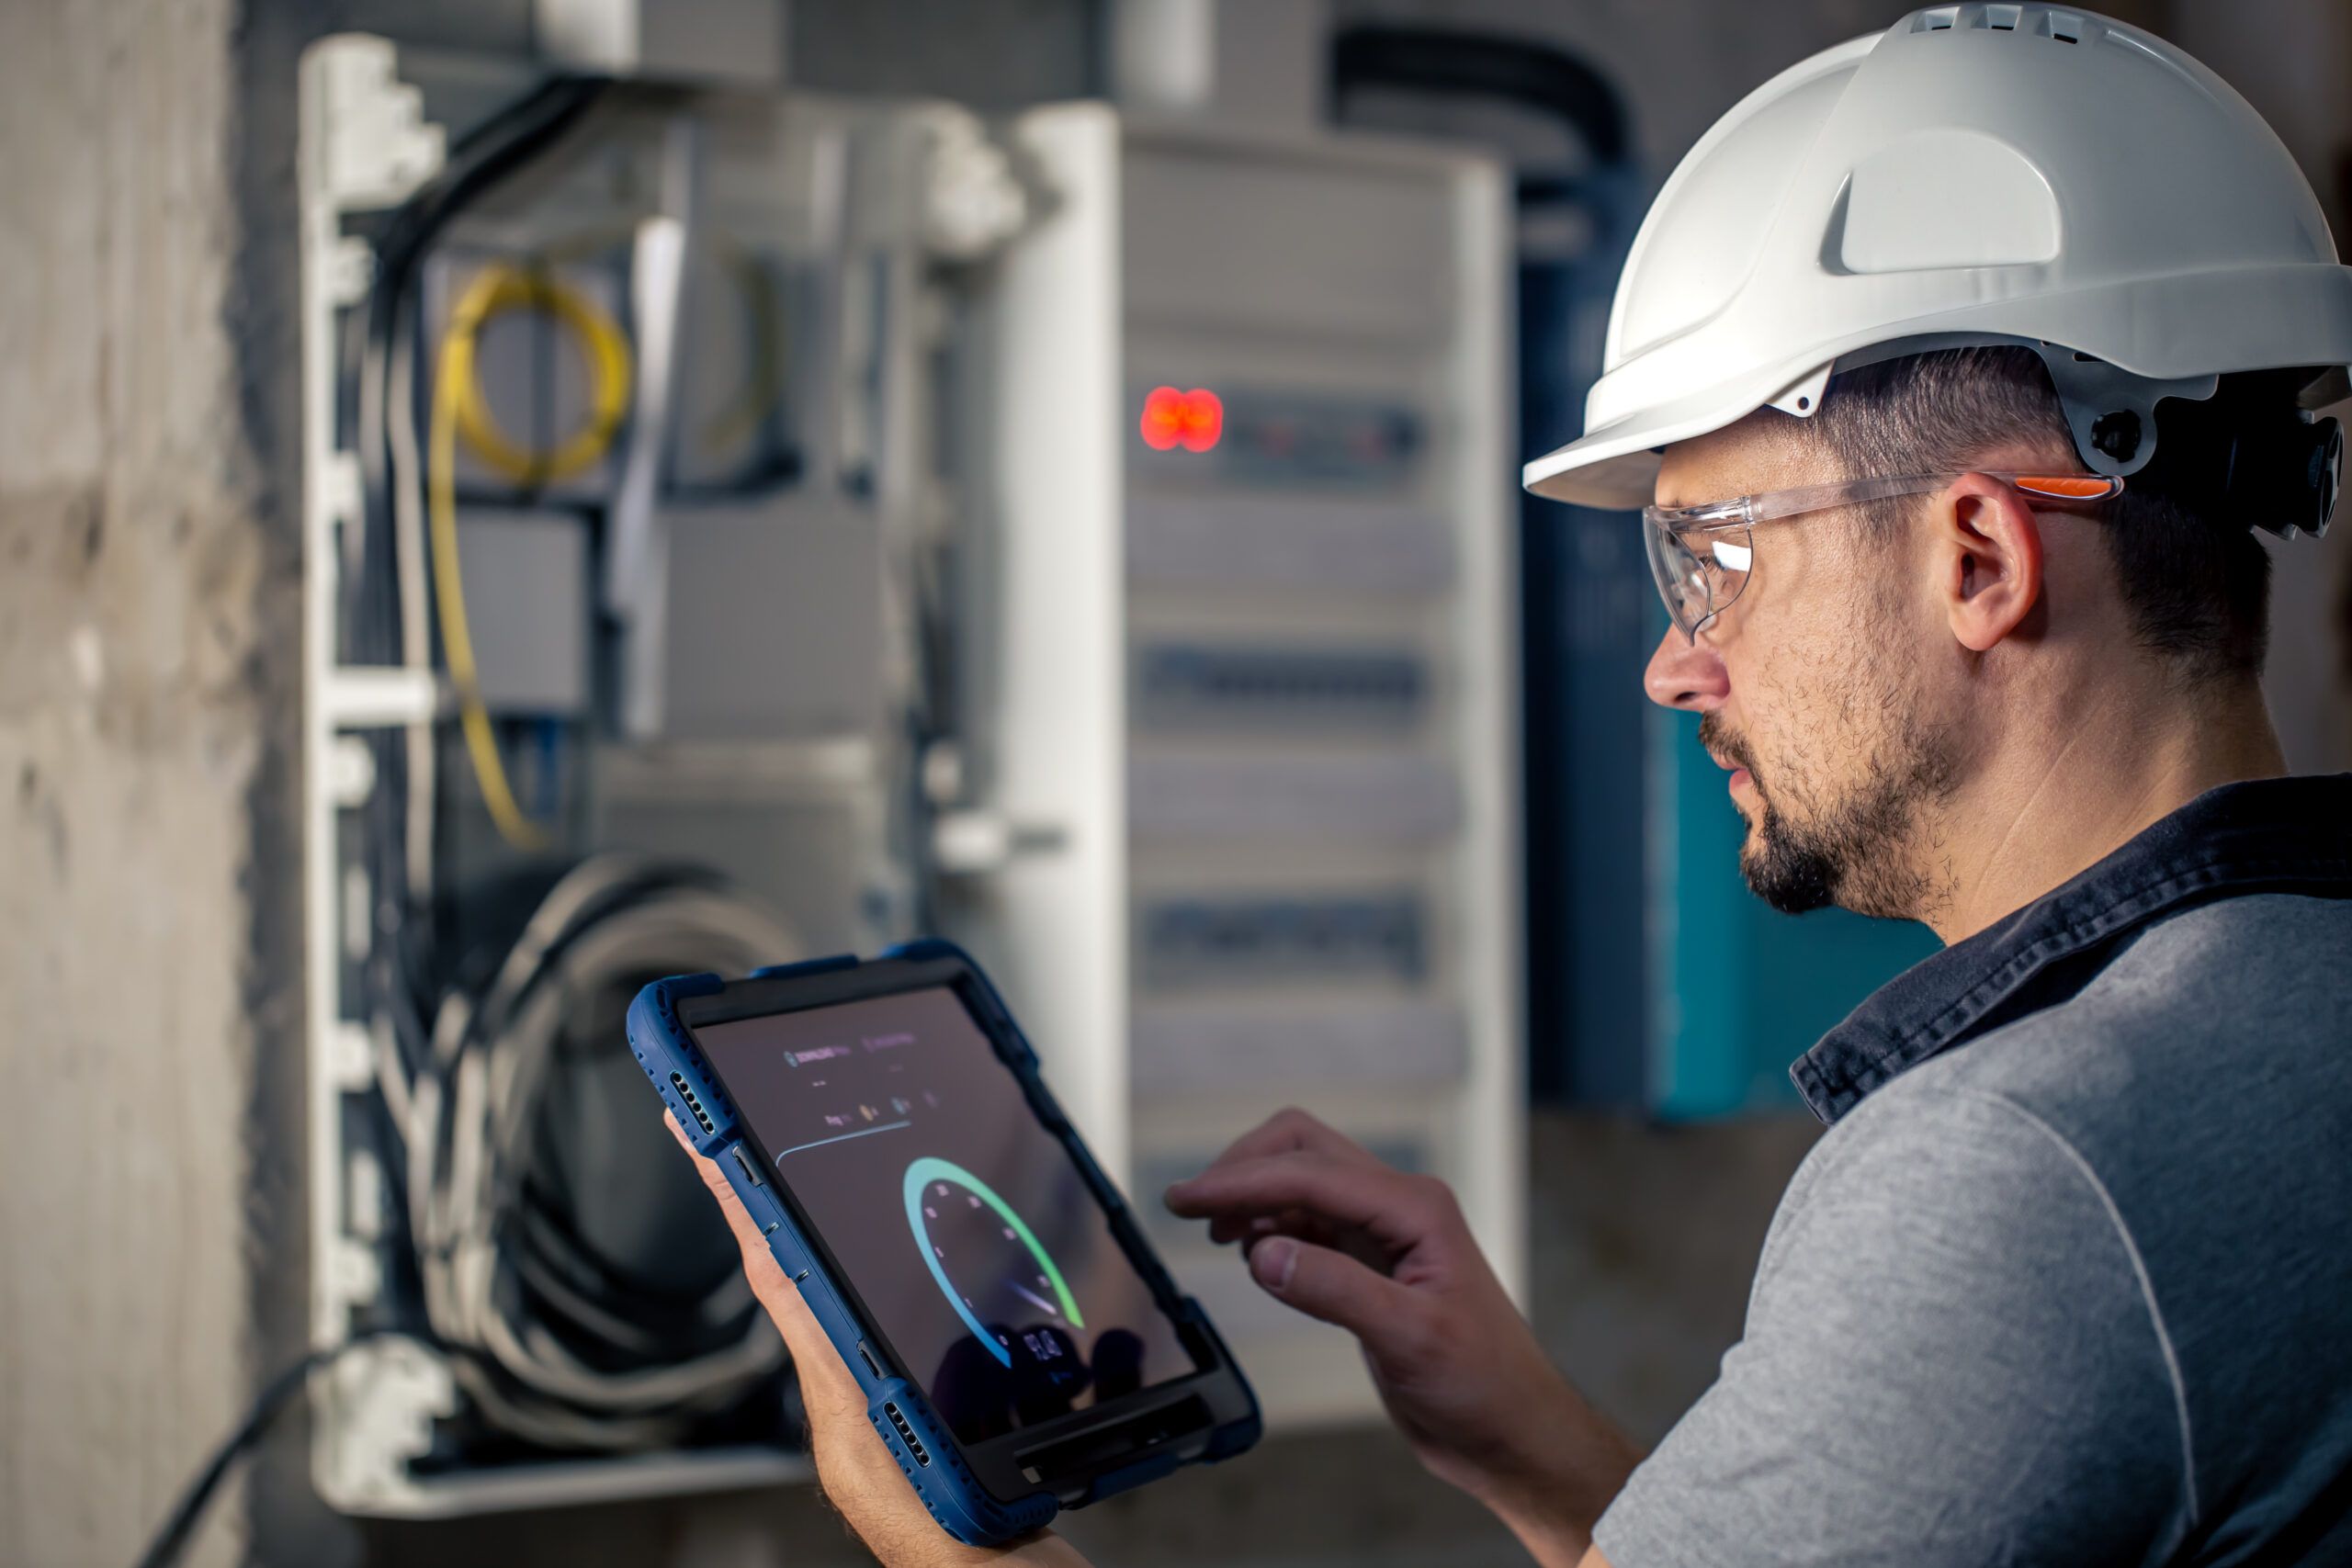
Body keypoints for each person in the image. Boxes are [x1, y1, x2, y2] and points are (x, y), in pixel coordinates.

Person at [676, 6, 2352, 1563]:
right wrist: (1538, 1443)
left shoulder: (2019, 1175)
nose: (1674, 660)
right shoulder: (2294, 1016)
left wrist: (943, 1538)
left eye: (1718, 556)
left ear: (1977, 556)